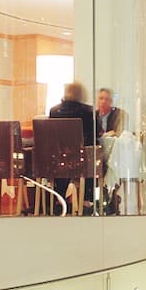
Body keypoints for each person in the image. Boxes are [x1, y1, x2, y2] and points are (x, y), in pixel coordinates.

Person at [48, 82, 98, 213]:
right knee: (93, 156)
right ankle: (87, 198)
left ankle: (59, 197)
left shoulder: (54, 111)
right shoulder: (88, 111)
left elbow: (51, 136)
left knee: (62, 162)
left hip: (59, 160)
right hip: (81, 160)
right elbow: (95, 134)